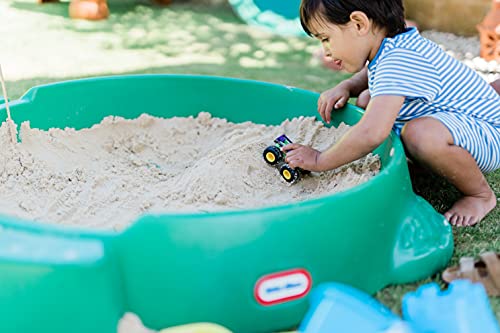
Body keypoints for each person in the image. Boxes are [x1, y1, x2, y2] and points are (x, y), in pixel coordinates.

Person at [284, 0, 500, 227]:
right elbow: (373, 71)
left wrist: (320, 160)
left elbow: (372, 132)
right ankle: (421, 158)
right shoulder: (394, 46)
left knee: (420, 134)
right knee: (368, 98)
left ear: (359, 24)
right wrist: (348, 86)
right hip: (455, 122)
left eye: (326, 39)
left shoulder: (399, 59)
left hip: (489, 135)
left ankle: (480, 195)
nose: (326, 52)